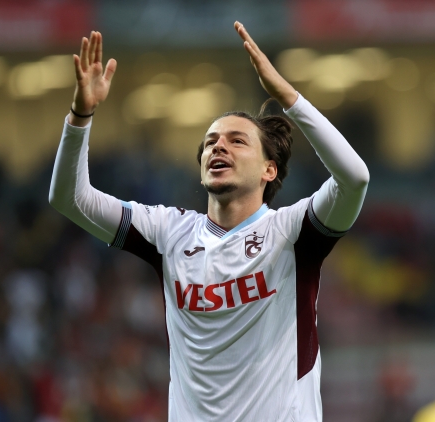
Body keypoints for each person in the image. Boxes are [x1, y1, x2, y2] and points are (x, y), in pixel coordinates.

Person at [50, 22, 369, 422]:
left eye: (237, 140)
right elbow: (69, 199)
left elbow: (354, 178)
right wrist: (80, 115)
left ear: (269, 170)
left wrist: (289, 97)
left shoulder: (291, 233)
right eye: (211, 142)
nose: (219, 146)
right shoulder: (169, 233)